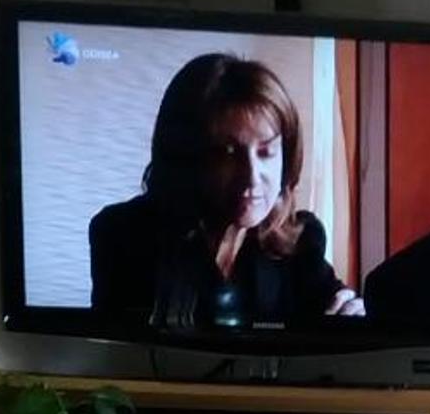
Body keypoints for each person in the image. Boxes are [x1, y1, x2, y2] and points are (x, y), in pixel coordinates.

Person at [88, 52, 365, 328]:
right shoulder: (121, 234)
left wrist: (352, 313)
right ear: (185, 156)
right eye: (228, 153)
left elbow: (337, 309)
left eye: (266, 152)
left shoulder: (302, 240)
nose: (252, 177)